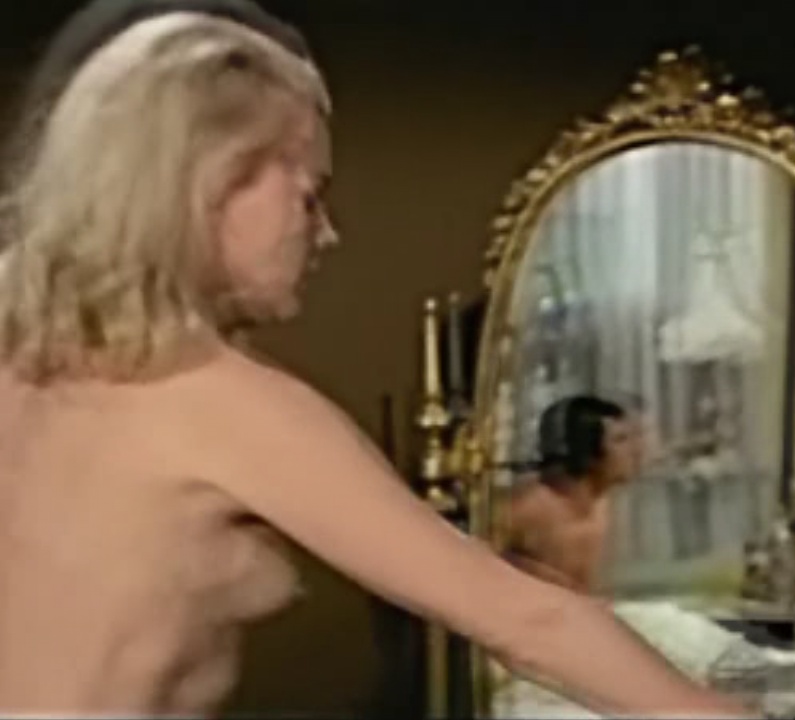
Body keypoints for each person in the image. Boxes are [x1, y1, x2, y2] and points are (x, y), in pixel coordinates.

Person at [0, 3, 752, 718]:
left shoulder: (23, 355)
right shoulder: (212, 402)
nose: (325, 233)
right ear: (217, 180)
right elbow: (525, 620)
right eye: (309, 196)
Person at [505, 395, 637, 594]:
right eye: (620, 440)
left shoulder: (602, 505)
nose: (634, 451)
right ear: (589, 453)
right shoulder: (528, 512)